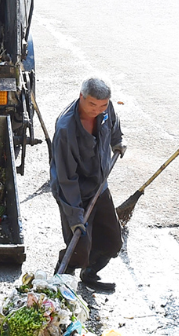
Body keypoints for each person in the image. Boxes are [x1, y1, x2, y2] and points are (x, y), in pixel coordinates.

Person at [50, 77, 127, 291]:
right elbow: (66, 177)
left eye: (102, 105)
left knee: (112, 240)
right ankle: (60, 279)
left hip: (98, 184)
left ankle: (90, 273)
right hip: (71, 190)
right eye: (92, 104)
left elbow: (113, 122)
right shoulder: (66, 129)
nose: (98, 110)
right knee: (79, 245)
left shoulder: (106, 108)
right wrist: (75, 215)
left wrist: (117, 141)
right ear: (81, 96)